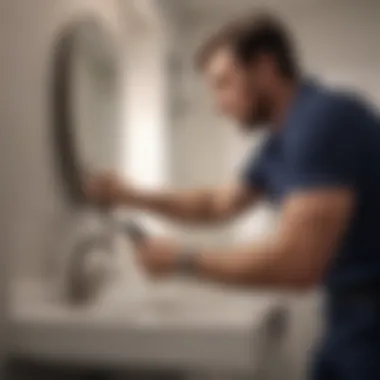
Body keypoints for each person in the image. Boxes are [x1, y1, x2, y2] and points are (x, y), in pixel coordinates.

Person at [86, 13, 380, 380]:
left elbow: (298, 263)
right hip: (349, 315)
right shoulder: (281, 142)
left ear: (264, 68)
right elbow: (216, 204)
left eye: (223, 83)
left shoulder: (322, 120)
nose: (217, 103)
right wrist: (131, 194)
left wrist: (182, 261)